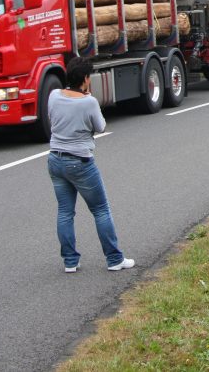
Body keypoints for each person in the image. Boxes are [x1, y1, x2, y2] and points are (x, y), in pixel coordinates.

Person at [47, 56, 134, 274]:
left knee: (65, 212)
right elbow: (101, 127)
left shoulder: (54, 95)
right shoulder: (88, 102)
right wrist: (89, 100)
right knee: (101, 210)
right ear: (86, 79)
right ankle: (114, 259)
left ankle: (70, 261)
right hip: (80, 161)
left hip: (55, 159)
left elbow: (53, 117)